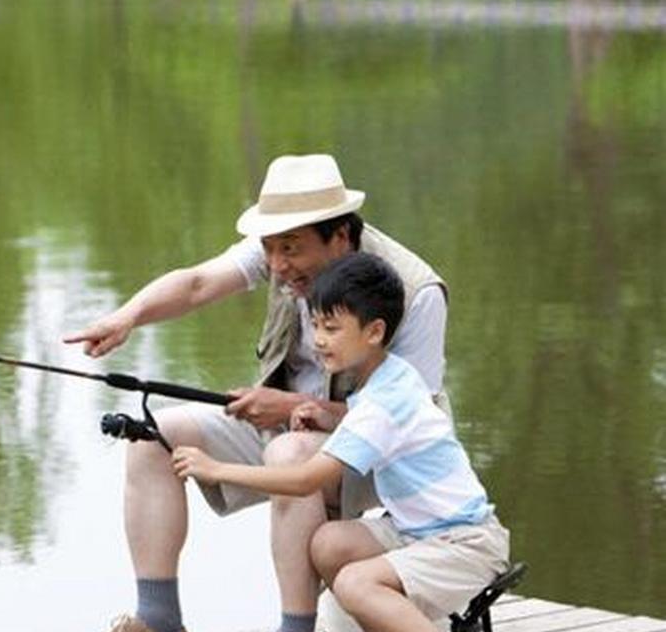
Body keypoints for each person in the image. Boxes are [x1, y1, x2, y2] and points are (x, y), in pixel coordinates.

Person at [64, 154, 450, 632]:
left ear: (341, 237)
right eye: (268, 249)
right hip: (289, 429)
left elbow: (408, 418)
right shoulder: (281, 255)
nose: (276, 264)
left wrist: (289, 408)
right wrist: (126, 318)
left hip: (383, 456)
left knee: (289, 452)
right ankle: (159, 620)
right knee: (154, 436)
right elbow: (197, 283)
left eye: (290, 249)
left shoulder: (416, 292)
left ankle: (296, 628)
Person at [172, 253, 510, 632]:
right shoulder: (390, 377)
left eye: (331, 329)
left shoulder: (382, 401)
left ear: (374, 332)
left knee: (354, 583)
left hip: (465, 544)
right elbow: (378, 424)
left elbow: (304, 481)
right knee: (329, 544)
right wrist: (328, 416)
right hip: (416, 531)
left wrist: (215, 469)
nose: (318, 340)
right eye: (315, 325)